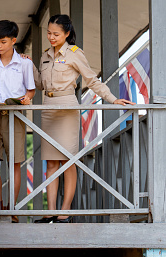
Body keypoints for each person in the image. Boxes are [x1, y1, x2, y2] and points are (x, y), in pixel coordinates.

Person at [31, 14, 134, 223]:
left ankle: (64, 211)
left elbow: (92, 80)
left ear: (67, 34)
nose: (51, 37)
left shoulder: (75, 54)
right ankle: (49, 211)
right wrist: (28, 67)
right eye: (49, 33)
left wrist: (113, 99)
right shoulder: (44, 55)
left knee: (69, 161)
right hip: (48, 107)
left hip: (67, 107)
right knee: (50, 162)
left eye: (56, 34)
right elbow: (40, 83)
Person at [0, 20, 35, 216]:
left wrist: (27, 99)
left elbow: (31, 89)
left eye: (3, 42)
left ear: (13, 40)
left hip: (15, 115)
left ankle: (12, 209)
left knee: (14, 161)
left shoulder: (25, 62)